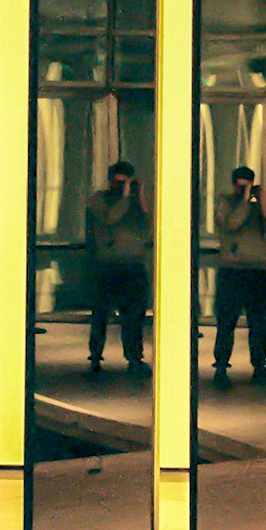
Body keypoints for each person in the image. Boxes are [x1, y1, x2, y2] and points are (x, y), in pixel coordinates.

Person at [212, 166, 266, 390]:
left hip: (257, 271)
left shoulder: (256, 206)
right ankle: (221, 367)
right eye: (241, 186)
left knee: (259, 323)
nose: (244, 190)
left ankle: (259, 365)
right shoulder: (226, 203)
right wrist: (244, 199)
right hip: (232, 270)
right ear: (234, 185)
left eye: (247, 185)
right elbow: (231, 223)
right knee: (226, 322)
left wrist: (261, 202)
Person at [85, 160, 153, 378]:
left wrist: (139, 197)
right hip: (107, 264)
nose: (122, 186)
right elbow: (110, 218)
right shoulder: (98, 200)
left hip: (133, 264)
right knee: (100, 315)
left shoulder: (134, 202)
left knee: (134, 316)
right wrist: (124, 197)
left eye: (126, 182)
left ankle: (134, 358)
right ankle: (95, 356)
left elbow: (147, 226)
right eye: (119, 182)